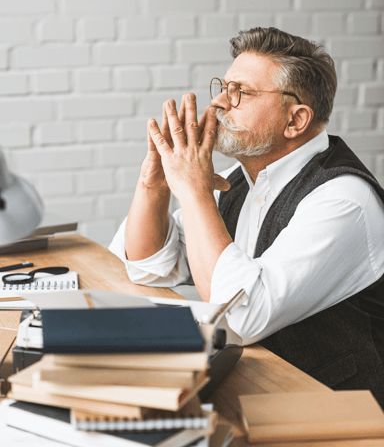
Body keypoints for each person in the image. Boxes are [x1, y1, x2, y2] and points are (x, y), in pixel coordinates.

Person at [109, 27, 384, 406]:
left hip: (333, 413)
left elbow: (241, 317)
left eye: (242, 92)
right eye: (224, 86)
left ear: (295, 120)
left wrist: (193, 189)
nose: (220, 102)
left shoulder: (343, 200)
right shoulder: (243, 182)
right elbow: (150, 266)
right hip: (255, 391)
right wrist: (154, 185)